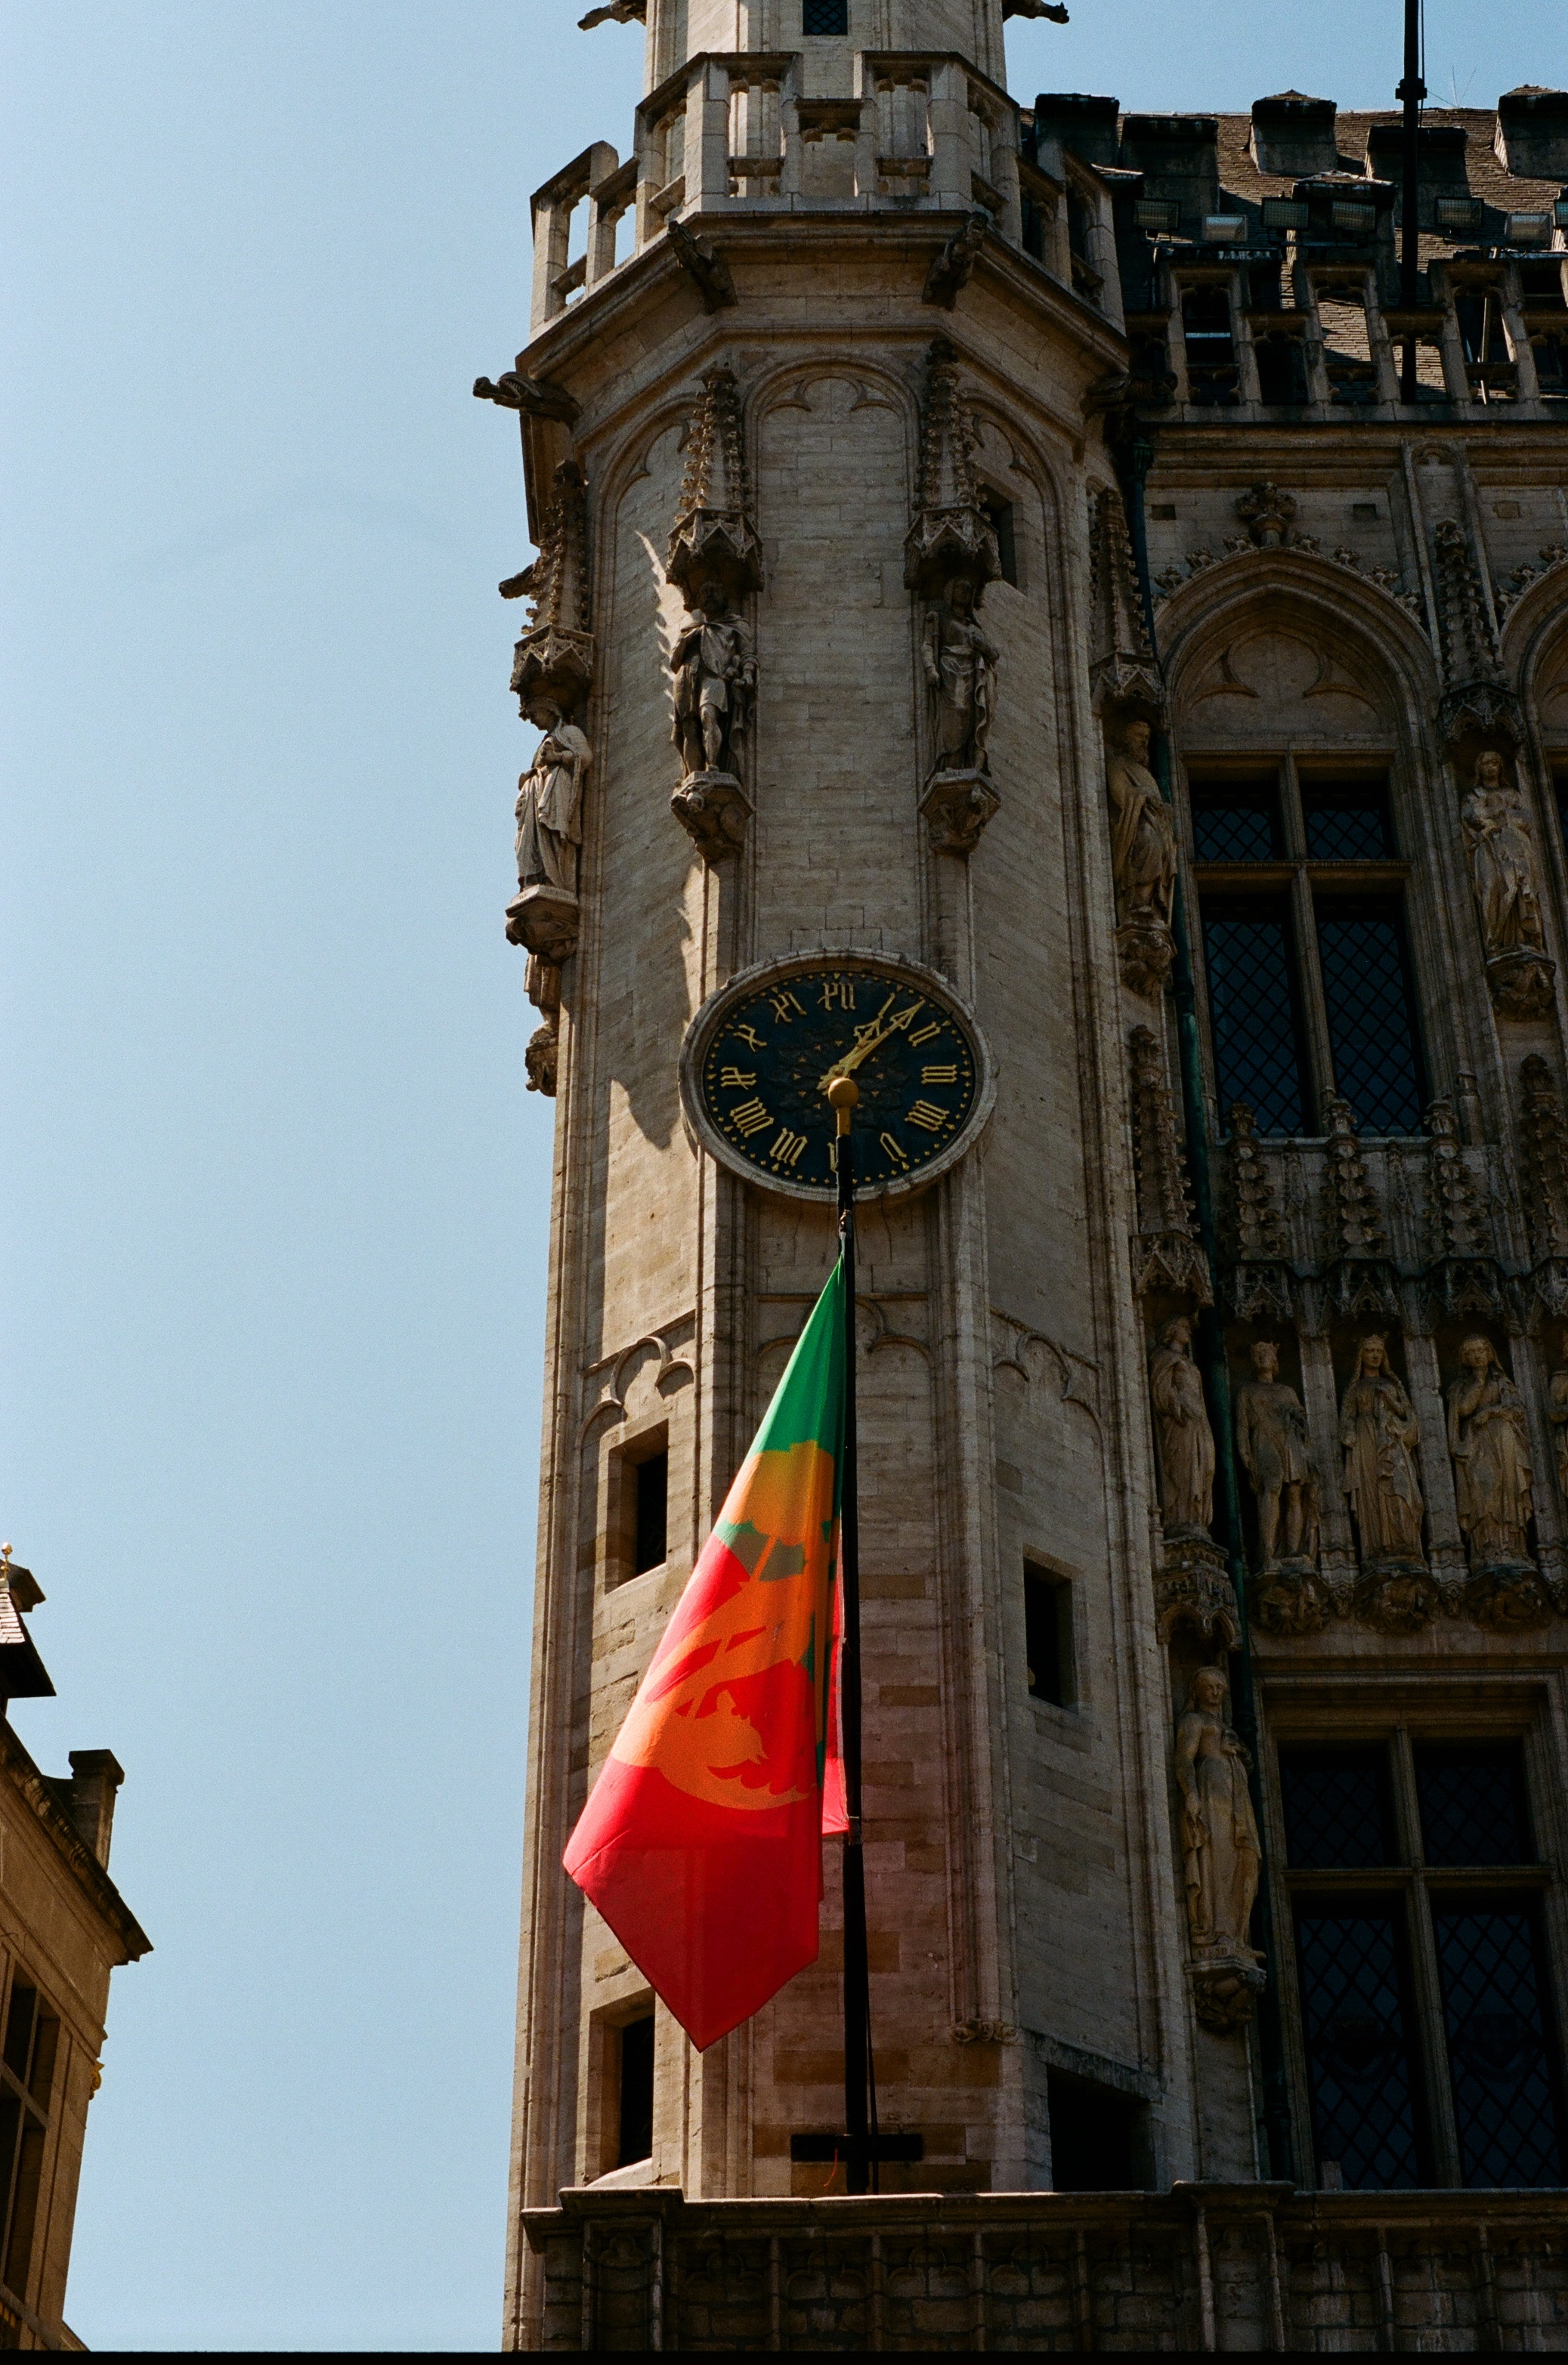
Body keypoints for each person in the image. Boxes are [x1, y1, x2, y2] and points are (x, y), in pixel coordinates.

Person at [1174, 1666, 1262, 1958]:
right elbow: (1184, 1759)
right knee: (1219, 1858)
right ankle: (1216, 1931)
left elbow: (1247, 1764)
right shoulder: (1194, 1720)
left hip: (1236, 1793)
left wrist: (1241, 1754)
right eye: (1210, 1686)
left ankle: (1238, 1934)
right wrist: (1190, 1795)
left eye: (1220, 1688)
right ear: (1198, 1690)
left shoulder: (1227, 1727)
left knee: (1247, 1858)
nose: (1215, 1693)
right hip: (1212, 1789)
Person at [1448, 1334, 1533, 1569]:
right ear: (1465, 1358)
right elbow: (1464, 1409)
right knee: (1484, 1492)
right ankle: (1486, 1547)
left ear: (1490, 1353)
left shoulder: (1503, 1383)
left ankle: (1513, 1546)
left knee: (1509, 1491)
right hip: (1477, 1446)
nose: (1477, 1355)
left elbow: (1517, 1411)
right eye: (1472, 1352)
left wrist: (1492, 1413)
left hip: (1505, 1442)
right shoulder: (1461, 1387)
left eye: (1481, 1350)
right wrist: (1479, 1381)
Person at [1338, 1334, 1424, 1563]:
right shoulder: (1355, 1388)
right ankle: (1377, 1547)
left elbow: (1410, 1419)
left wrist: (1390, 1401)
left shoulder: (1392, 1385)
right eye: (1369, 1350)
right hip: (1366, 1441)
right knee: (1373, 1493)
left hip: (1393, 1438)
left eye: (1379, 1350)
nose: (1375, 1355)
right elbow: (1346, 1417)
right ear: (1361, 1355)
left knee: (1400, 1488)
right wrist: (1349, 1432)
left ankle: (1405, 1543)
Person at [515, 694, 592, 897]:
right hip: (537, 794)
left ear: (548, 710)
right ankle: (535, 878)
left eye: (533, 713)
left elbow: (585, 757)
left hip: (557, 790)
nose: (532, 719)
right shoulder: (544, 740)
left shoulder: (569, 732)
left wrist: (557, 757)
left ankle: (556, 878)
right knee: (529, 842)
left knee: (553, 833)